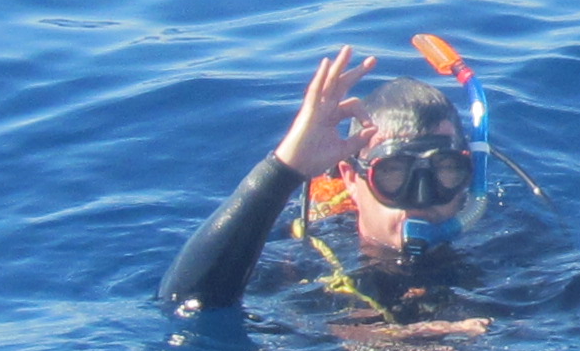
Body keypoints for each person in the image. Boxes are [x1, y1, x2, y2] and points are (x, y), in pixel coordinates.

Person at [162, 41, 507, 333]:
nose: (420, 198)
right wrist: (283, 168)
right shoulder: (305, 260)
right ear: (351, 178)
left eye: (444, 171)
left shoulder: (506, 250)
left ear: (469, 178)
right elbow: (189, 305)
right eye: (393, 173)